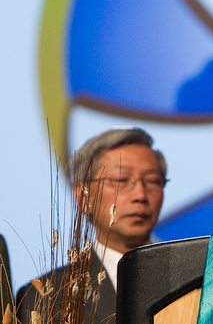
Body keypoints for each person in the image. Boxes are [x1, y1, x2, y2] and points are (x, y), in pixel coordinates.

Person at [16, 127, 167, 324]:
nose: (140, 195)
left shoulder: (197, 279)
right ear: (84, 196)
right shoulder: (47, 295)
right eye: (121, 180)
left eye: (153, 181)